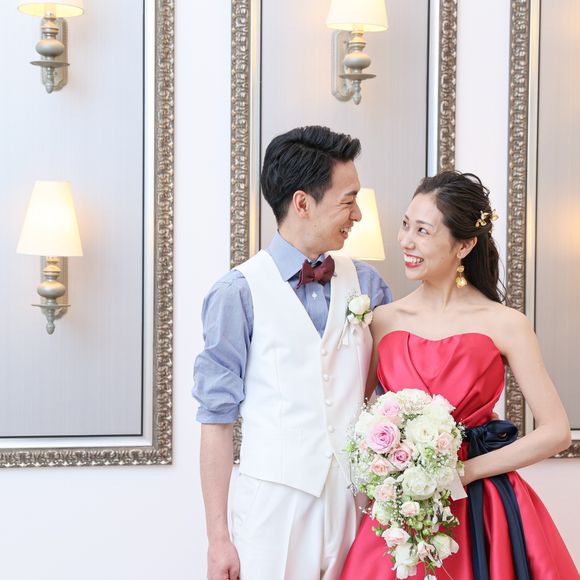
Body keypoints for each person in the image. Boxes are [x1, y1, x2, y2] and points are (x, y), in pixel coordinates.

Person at [341, 170, 578, 579]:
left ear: (464, 245)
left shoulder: (506, 323)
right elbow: (358, 417)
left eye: (423, 231)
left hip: (484, 508)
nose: (406, 241)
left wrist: (463, 473)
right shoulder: (382, 320)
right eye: (405, 225)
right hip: (402, 508)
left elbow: (556, 431)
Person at [193, 125, 392, 580]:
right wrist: (218, 538)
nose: (358, 214)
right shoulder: (237, 292)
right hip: (273, 511)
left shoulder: (369, 284)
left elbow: (385, 391)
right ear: (303, 203)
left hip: (356, 504)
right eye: (348, 200)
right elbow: (216, 420)